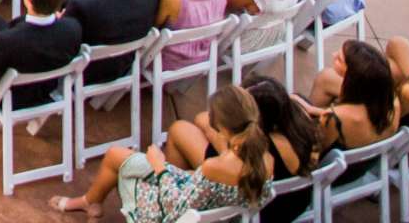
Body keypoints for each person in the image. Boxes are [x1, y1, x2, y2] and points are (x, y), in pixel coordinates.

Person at [52, 83, 272, 219]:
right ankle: (92, 202)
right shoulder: (266, 159)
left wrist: (159, 165)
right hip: (201, 199)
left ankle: (91, 202)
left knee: (119, 163)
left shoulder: (215, 166)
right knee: (115, 155)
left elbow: (175, 208)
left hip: (169, 212)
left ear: (223, 127)